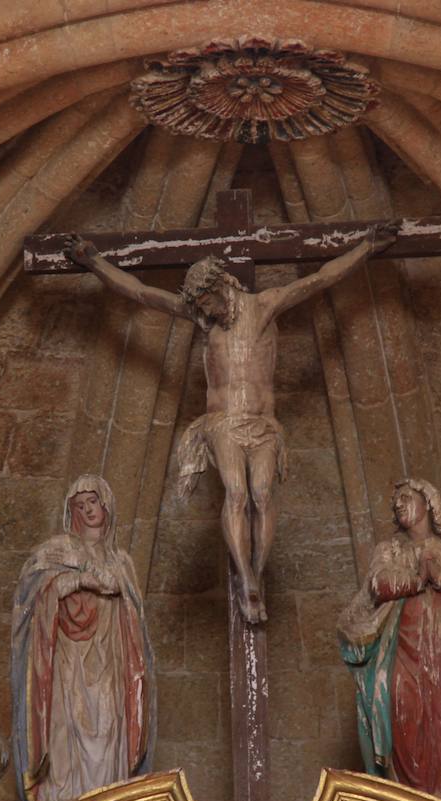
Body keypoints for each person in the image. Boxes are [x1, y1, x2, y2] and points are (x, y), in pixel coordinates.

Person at [67, 224, 397, 624]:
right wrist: (95, 262)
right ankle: (246, 578)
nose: (204, 314)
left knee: (262, 493)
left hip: (263, 424)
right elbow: (142, 293)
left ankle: (256, 571)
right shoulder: (204, 320)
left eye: (207, 303)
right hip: (223, 422)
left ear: (222, 285)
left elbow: (321, 279)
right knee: (237, 494)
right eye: (200, 308)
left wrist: (366, 247)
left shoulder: (265, 306)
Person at [338, 479, 441, 801]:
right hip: (402, 645)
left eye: (406, 498)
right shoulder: (390, 550)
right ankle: (412, 800)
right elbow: (378, 584)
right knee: (402, 710)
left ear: (428, 503)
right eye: (394, 502)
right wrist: (416, 580)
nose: (399, 505)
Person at [11, 475, 154, 801]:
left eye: (94, 502)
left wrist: (117, 590)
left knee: (107, 732)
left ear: (107, 507)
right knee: (64, 733)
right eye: (81, 505)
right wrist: (78, 580)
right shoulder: (54, 552)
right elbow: (30, 599)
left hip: (110, 663)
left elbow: (137, 625)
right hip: (65, 665)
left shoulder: (121, 562)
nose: (89, 510)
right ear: (72, 511)